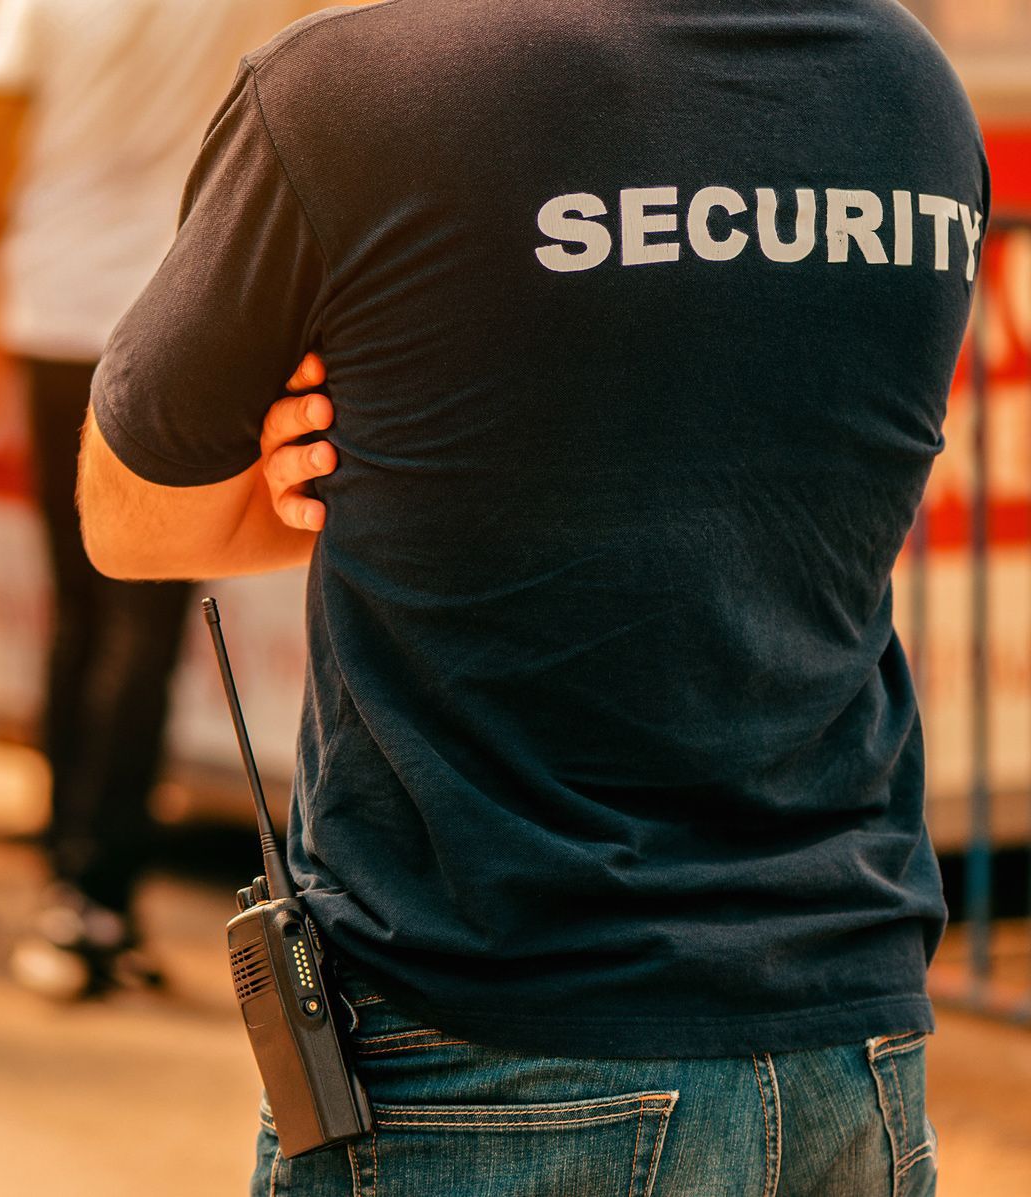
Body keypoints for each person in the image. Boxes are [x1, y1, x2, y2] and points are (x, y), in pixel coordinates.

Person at [78, 2, 987, 1192]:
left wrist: (373, 477)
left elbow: (127, 517)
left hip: (490, 1044)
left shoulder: (354, 87)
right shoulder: (909, 86)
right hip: (847, 1046)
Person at [0, 0, 305, 1000]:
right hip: (174, 314)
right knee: (145, 615)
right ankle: (96, 892)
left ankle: (67, 869)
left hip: (50, 306)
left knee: (79, 603)